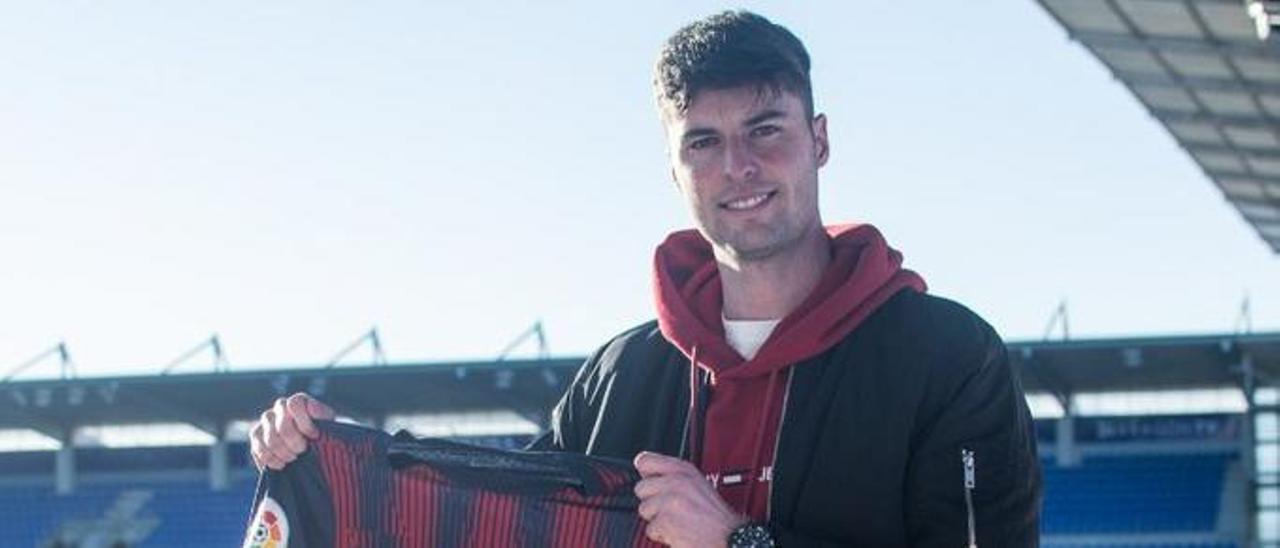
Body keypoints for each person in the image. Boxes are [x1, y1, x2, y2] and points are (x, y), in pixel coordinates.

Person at [251, 10, 1042, 548]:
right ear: (673, 169)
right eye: (703, 142)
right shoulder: (620, 375)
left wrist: (738, 539)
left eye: (766, 130)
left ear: (820, 141)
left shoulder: (944, 355)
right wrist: (337, 454)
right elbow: (498, 516)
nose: (738, 166)